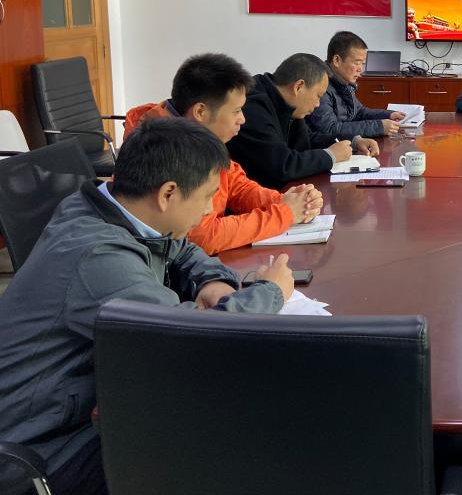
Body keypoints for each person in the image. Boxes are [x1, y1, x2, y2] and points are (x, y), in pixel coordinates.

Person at [0, 118, 294, 495]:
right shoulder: (99, 258)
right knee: (227, 440)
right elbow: (196, 340)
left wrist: (212, 281)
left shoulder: (105, 206)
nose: (209, 209)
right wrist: (271, 291)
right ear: (168, 193)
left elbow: (178, 247)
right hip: (43, 448)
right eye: (206, 197)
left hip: (86, 399)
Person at [124, 53, 324, 255]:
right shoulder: (168, 149)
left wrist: (285, 200)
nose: (243, 119)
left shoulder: (201, 138)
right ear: (200, 112)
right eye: (236, 111)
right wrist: (284, 214)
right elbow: (204, 236)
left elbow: (237, 187)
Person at [227, 53, 377, 190]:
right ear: (299, 87)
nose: (318, 104)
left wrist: (354, 141)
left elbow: (308, 139)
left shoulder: (288, 103)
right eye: (318, 96)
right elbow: (283, 166)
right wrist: (330, 155)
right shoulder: (254, 107)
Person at [308, 31, 407, 141]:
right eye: (357, 63)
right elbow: (329, 130)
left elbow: (358, 112)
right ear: (337, 60)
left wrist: (389, 115)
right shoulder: (320, 86)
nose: (360, 69)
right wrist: (379, 127)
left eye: (362, 63)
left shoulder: (344, 82)